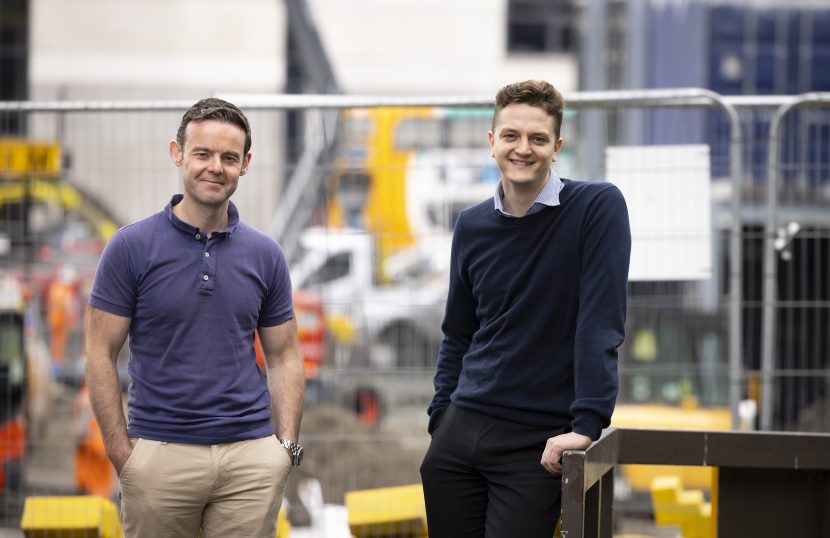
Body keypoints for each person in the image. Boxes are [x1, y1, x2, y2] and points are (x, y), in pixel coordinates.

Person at [85, 97, 305, 538]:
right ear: (177, 153)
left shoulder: (265, 255)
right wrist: (122, 454)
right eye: (202, 153)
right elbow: (99, 353)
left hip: (250, 459)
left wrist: (283, 449)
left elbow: (284, 357)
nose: (215, 167)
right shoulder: (130, 248)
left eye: (228, 157)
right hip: (159, 456)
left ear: (245, 164)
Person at [420, 80, 631, 537]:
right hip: (460, 429)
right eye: (511, 136)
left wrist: (588, 421)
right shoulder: (472, 224)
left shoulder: (596, 208)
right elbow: (459, 331)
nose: (523, 149)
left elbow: (601, 321)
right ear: (491, 141)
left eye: (537, 139)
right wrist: (441, 415)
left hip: (538, 440)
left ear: (557, 147)